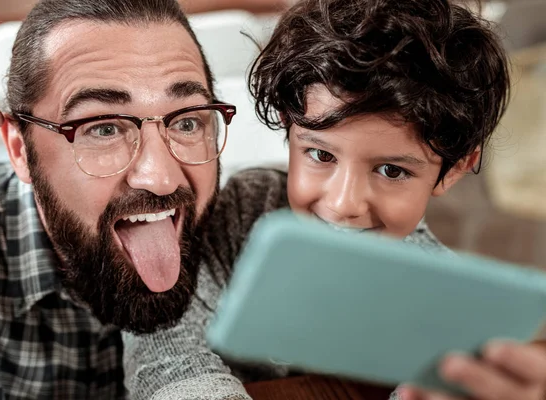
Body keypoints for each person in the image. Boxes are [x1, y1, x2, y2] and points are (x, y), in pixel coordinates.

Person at [124, 0, 546, 399]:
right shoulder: (241, 212)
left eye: (392, 171)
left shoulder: (442, 294)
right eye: (321, 155)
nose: (344, 204)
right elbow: (166, 348)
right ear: (289, 129)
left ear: (452, 169)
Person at [0, 0, 238, 397]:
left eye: (187, 122)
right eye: (103, 129)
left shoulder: (245, 232)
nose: (162, 178)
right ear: (20, 150)